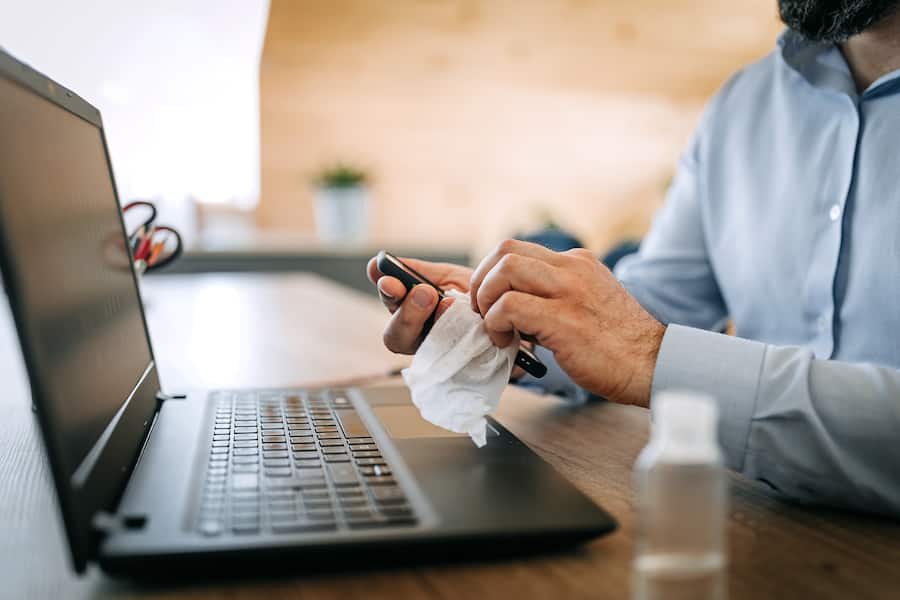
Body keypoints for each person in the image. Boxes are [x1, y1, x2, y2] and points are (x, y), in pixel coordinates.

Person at [367, 0, 900, 517]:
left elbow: (644, 344)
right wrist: (512, 325)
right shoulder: (743, 103)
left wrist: (649, 357)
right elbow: (661, 305)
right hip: (756, 524)